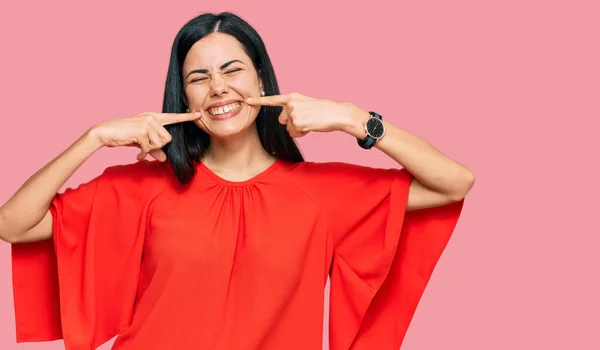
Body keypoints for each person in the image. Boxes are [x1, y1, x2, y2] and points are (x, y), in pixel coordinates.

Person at [0, 11, 474, 350]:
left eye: (232, 70)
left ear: (262, 80)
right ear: (182, 93)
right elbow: (14, 225)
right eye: (198, 77)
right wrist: (93, 137)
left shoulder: (323, 194)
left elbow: (454, 182)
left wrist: (354, 119)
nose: (218, 88)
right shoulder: (143, 187)